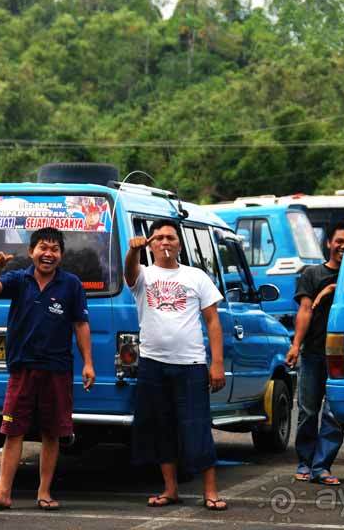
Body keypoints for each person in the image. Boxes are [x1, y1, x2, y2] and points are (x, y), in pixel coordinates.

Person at [0, 227, 95, 512]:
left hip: (57, 368)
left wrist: (88, 363)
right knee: (13, 430)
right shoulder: (18, 278)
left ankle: (44, 492)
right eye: (43, 248)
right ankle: (2, 493)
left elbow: (80, 325)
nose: (48, 254)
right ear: (31, 252)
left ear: (61, 255)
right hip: (22, 368)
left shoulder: (71, 285)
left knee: (52, 432)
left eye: (54, 249)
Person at [125, 218, 228, 511]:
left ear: (179, 244)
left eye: (170, 237)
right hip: (153, 365)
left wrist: (216, 363)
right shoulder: (143, 275)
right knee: (161, 427)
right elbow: (129, 273)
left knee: (197, 427)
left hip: (191, 364)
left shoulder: (196, 277)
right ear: (150, 244)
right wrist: (133, 251)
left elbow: (213, 322)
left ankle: (210, 491)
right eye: (158, 238)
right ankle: (170, 489)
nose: (165, 242)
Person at [285, 219, 344, 486]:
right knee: (308, 410)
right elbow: (304, 311)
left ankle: (322, 466)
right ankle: (305, 462)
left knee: (334, 413)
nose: (343, 247)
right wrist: (295, 344)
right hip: (313, 352)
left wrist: (332, 289)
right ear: (328, 243)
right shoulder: (311, 274)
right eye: (339, 242)